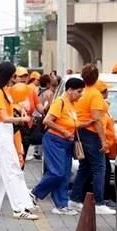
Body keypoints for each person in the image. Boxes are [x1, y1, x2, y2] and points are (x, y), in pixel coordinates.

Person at [0, 61, 39, 220]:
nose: (15, 78)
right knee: (12, 169)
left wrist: (19, 109)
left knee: (0, 168)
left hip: (5, 131)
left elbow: (9, 109)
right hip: (1, 130)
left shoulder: (4, 90)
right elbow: (4, 118)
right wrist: (21, 119)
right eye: (13, 75)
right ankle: (20, 207)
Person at [31, 77, 84, 215]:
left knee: (65, 174)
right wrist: (64, 131)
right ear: (70, 90)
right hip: (55, 140)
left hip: (67, 143)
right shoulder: (60, 102)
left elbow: (72, 122)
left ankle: (61, 204)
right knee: (57, 172)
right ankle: (34, 193)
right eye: (79, 91)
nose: (81, 95)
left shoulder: (72, 104)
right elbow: (48, 121)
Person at [68, 65, 115, 215]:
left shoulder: (82, 92)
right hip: (91, 133)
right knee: (99, 168)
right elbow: (96, 119)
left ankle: (75, 199)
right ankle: (99, 203)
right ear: (96, 77)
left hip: (79, 131)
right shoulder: (95, 94)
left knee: (85, 167)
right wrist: (103, 140)